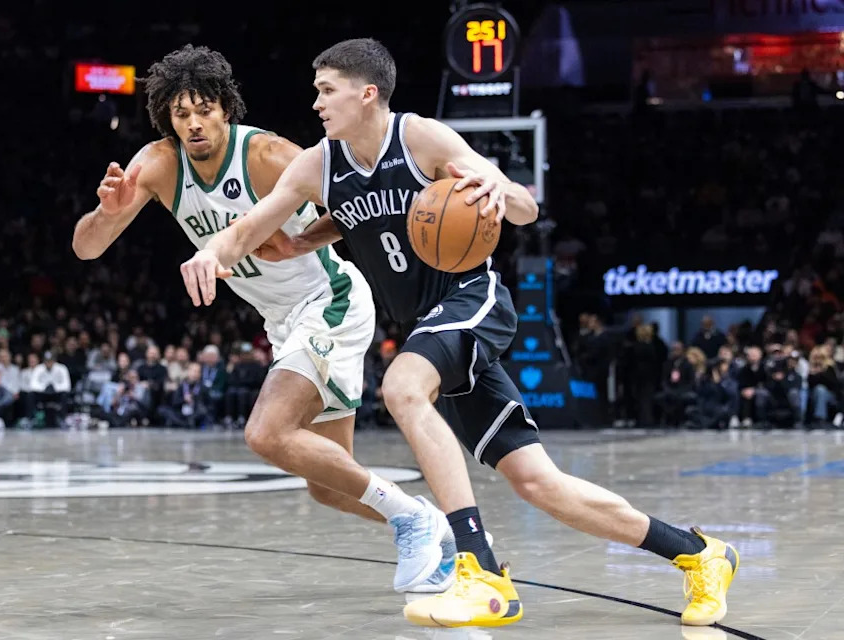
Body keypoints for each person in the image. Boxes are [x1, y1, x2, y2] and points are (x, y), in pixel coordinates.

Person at [180, 38, 739, 629]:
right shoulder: (317, 165)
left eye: (326, 90)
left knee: (402, 389)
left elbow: (524, 207)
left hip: (472, 299)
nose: (316, 103)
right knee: (538, 482)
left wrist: (502, 191)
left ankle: (480, 572)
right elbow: (247, 229)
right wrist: (213, 253)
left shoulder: (421, 138)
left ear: (366, 93)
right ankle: (700, 554)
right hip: (426, 326)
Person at [71, 45, 450, 593]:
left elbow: (354, 208)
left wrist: (298, 244)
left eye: (204, 109)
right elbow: (86, 249)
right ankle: (429, 525)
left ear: (226, 108)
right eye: (181, 114)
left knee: (267, 432)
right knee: (328, 486)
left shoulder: (267, 155)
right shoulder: (155, 165)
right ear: (166, 119)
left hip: (330, 300)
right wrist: (106, 213)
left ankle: (413, 521)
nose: (194, 123)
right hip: (283, 323)